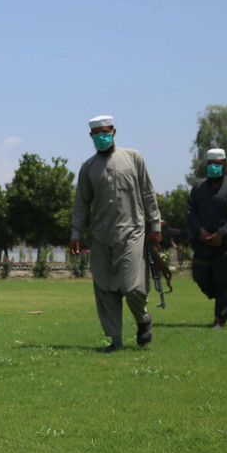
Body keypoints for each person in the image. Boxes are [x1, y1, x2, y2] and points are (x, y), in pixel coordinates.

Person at [70, 115, 162, 352]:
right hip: (100, 236)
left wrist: (155, 228)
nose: (102, 136)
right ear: (91, 136)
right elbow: (81, 204)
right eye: (97, 133)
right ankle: (116, 340)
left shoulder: (133, 158)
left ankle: (143, 318)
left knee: (131, 286)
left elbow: (148, 194)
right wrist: (76, 233)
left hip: (133, 232)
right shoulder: (88, 168)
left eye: (106, 131)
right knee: (105, 288)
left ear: (114, 131)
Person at [186, 149, 227, 328]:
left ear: (225, 165)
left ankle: (220, 317)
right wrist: (200, 231)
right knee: (200, 277)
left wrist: (223, 233)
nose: (214, 168)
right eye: (211, 164)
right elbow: (191, 211)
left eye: (218, 164)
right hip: (203, 243)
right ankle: (219, 301)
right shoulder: (198, 187)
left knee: (225, 281)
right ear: (206, 165)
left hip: (226, 245)